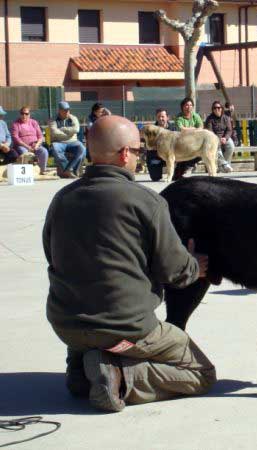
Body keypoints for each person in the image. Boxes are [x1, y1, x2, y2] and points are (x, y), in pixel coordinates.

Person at [43, 115, 216, 412]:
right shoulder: (145, 201)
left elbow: (51, 255)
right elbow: (174, 270)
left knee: (90, 337)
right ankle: (123, 377)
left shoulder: (61, 199)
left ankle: (82, 370)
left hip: (66, 323)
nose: (140, 157)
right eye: (138, 152)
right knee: (201, 374)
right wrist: (194, 266)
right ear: (125, 154)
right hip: (126, 326)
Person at [49, 101, 86, 179]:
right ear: (59, 110)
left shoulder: (73, 118)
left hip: (73, 142)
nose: (67, 112)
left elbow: (76, 129)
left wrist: (63, 129)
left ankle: (73, 169)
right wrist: (68, 134)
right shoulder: (53, 120)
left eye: (68, 110)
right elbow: (54, 132)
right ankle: (68, 169)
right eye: (65, 110)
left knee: (82, 148)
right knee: (54, 147)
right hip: (59, 142)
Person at [10, 106, 49, 175]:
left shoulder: (34, 122)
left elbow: (40, 136)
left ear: (29, 114)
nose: (24, 115)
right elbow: (16, 138)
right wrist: (28, 147)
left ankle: (42, 170)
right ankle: (27, 173)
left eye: (26, 114)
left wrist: (37, 145)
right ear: (20, 114)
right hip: (22, 146)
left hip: (34, 145)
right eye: (22, 113)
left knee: (44, 151)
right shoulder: (15, 124)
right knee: (25, 152)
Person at [146, 108, 179, 182]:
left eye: (163, 116)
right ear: (156, 118)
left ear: (167, 117)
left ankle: (175, 173)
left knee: (176, 177)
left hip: (172, 156)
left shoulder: (174, 129)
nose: (161, 119)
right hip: (156, 156)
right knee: (155, 177)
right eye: (158, 117)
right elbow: (148, 146)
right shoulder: (151, 130)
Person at [204, 101, 234, 173]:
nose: (217, 109)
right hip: (213, 138)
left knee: (231, 146)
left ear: (221, 108)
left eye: (218, 107)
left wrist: (225, 138)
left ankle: (222, 166)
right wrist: (217, 139)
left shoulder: (226, 118)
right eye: (215, 108)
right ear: (212, 109)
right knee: (217, 149)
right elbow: (210, 132)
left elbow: (229, 130)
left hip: (224, 137)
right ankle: (225, 166)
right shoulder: (209, 119)